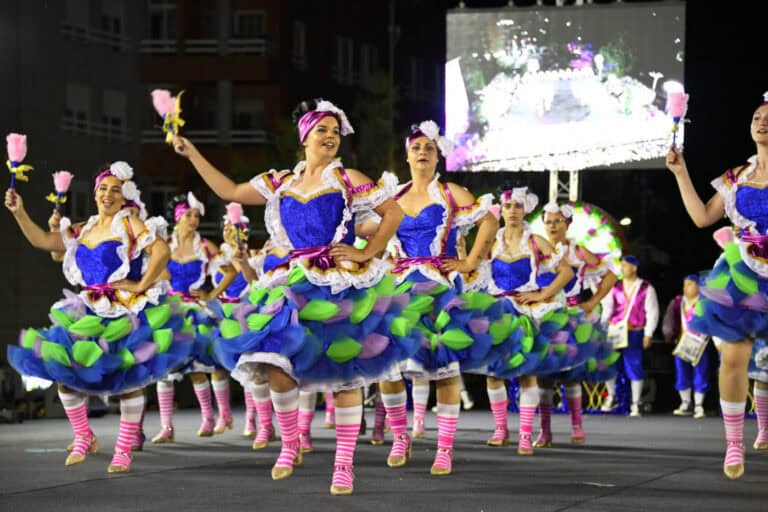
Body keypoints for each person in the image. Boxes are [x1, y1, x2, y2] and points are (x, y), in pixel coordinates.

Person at [171, 98, 418, 495]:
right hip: (290, 280)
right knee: (275, 364)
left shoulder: (348, 178)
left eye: (336, 131)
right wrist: (192, 153)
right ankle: (289, 445)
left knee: (345, 372)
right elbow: (229, 189)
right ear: (304, 137)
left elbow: (393, 213)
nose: (331, 136)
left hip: (336, 282)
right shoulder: (281, 181)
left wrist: (366, 252)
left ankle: (343, 465)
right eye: (322, 130)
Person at [6, 162, 192, 473]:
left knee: (128, 380)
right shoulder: (82, 229)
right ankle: (83, 436)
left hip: (124, 311)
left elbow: (161, 251)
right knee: (66, 374)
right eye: (103, 188)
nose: (108, 194)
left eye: (115, 190)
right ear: (95, 194)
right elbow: (43, 241)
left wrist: (141, 285)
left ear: (123, 196)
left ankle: (123, 448)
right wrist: (19, 212)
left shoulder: (128, 223)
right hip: (87, 311)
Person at [357, 120, 502, 475]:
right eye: (416, 148)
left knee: (444, 367)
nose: (422, 152)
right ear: (406, 156)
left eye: (429, 148)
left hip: (439, 288)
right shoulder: (391, 198)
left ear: (439, 156)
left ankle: (444, 449)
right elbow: (364, 228)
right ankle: (400, 437)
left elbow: (489, 220)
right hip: (399, 288)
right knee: (388, 367)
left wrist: (469, 261)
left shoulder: (451, 193)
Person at [666, 92, 768, 478]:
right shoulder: (736, 178)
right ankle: (734, 445)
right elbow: (701, 217)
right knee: (735, 356)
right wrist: (680, 173)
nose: (762, 122)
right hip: (742, 272)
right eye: (757, 117)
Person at [151, 193, 238, 443]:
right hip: (169, 311)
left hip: (196, 311)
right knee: (164, 370)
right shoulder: (163, 245)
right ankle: (166, 427)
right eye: (188, 214)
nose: (194, 219)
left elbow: (230, 272)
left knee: (198, 369)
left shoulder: (205, 246)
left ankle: (209, 417)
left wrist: (211, 294)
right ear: (177, 217)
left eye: (197, 216)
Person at [534, 201, 619, 447]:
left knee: (571, 375)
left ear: (567, 224)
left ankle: (576, 426)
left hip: (571, 317)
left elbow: (610, 275)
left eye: (557, 221)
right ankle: (545, 431)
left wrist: (592, 301)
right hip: (545, 316)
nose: (552, 226)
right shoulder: (537, 250)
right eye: (548, 222)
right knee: (544, 376)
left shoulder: (578, 252)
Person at [600, 256, 659, 416]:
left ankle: (636, 402)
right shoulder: (615, 286)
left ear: (634, 267)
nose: (622, 268)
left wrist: (648, 333)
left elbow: (652, 312)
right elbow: (607, 309)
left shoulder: (646, 288)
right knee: (608, 363)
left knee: (634, 365)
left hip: (634, 331)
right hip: (615, 330)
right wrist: (601, 329)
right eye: (622, 265)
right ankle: (612, 396)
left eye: (625, 265)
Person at [662, 274, 711, 419]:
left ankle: (699, 404)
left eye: (689, 284)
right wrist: (668, 332)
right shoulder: (678, 302)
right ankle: (685, 402)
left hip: (700, 343)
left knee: (701, 372)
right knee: (681, 372)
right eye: (684, 285)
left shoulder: (704, 302)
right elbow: (669, 319)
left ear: (698, 286)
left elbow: (711, 321)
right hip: (682, 342)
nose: (686, 288)